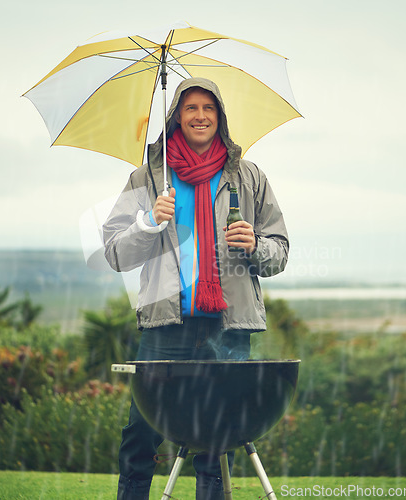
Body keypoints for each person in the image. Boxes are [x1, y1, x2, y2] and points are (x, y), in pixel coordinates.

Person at [103, 78, 289, 500]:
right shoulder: (149, 177)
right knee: (140, 436)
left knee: (218, 443)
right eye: (191, 108)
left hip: (229, 327)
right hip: (165, 325)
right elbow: (116, 254)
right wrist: (147, 222)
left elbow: (279, 253)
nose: (200, 115)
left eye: (209, 108)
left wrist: (255, 244)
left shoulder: (248, 176)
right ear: (177, 116)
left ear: (220, 116)